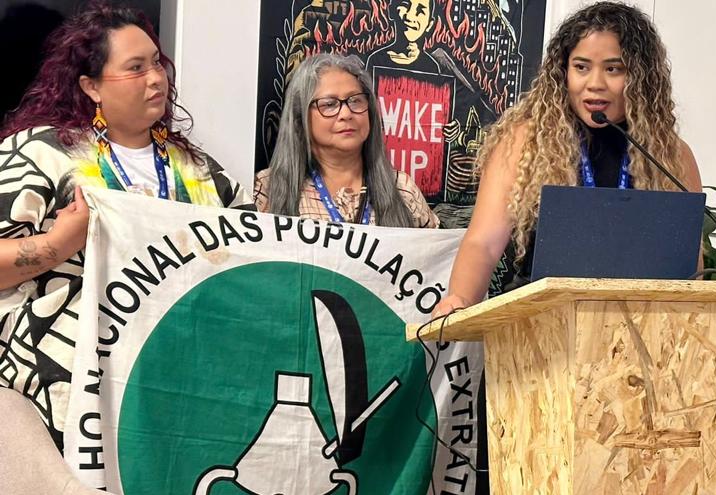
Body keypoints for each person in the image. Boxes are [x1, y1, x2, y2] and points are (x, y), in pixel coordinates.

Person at [432, 4, 702, 495]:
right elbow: (484, 241)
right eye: (582, 67)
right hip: (536, 362)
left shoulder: (668, 154)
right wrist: (458, 297)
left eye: (613, 69)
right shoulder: (528, 140)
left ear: (640, 76)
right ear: (562, 72)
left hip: (629, 378)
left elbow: (689, 268)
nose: (595, 84)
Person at [0, 1, 251, 448]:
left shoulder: (202, 173)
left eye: (156, 62)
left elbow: (253, 262)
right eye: (135, 68)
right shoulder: (40, 154)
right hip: (63, 396)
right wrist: (58, 244)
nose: (156, 78)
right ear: (91, 86)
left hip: (178, 391)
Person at [254, 52, 438, 229]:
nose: (346, 113)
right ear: (300, 117)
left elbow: (436, 249)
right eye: (329, 104)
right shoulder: (268, 189)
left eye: (355, 101)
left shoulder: (402, 189)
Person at [364, 0, 439, 75]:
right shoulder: (376, 59)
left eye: (421, 11)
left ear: (429, 25)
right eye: (405, 5)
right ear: (391, 11)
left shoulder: (431, 67)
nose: (410, 17)